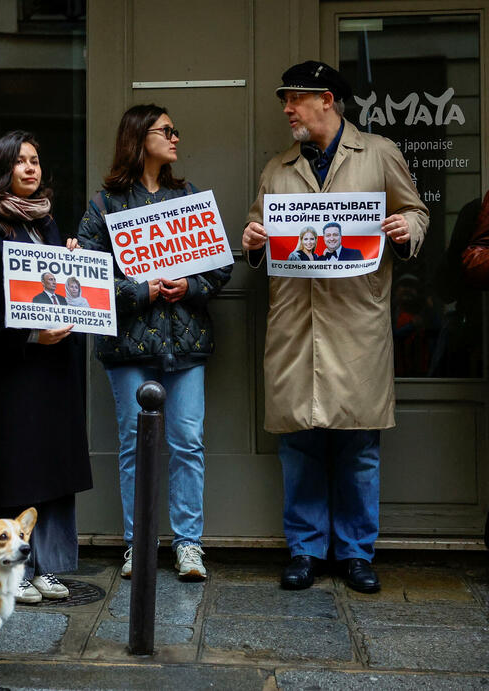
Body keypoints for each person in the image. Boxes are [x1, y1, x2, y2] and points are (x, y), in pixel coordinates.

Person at [241, 61, 428, 593]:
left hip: (355, 324)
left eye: (294, 99)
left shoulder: (379, 152)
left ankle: (355, 552)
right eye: (285, 100)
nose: (286, 110)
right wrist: (254, 239)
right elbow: (258, 227)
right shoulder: (278, 168)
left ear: (326, 99)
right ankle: (304, 549)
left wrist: (403, 226)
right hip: (296, 325)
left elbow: (417, 212)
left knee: (358, 446)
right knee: (299, 446)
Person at [77, 104, 232, 582]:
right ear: (140, 137)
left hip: (185, 347)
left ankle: (188, 546)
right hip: (128, 348)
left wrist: (191, 286)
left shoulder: (189, 198)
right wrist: (142, 290)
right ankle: (137, 545)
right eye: (167, 130)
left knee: (188, 443)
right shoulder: (104, 205)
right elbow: (89, 281)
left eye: (174, 130)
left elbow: (221, 267)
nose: (176, 138)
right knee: (134, 446)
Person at [0, 130, 92, 604]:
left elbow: (53, 290)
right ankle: (9, 572)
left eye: (36, 160)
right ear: (1, 169)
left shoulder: (47, 223)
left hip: (53, 369)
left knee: (52, 468)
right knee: (16, 472)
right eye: (20, 161)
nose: (31, 168)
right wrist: (30, 335)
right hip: (10, 372)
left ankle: (47, 568)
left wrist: (73, 268)